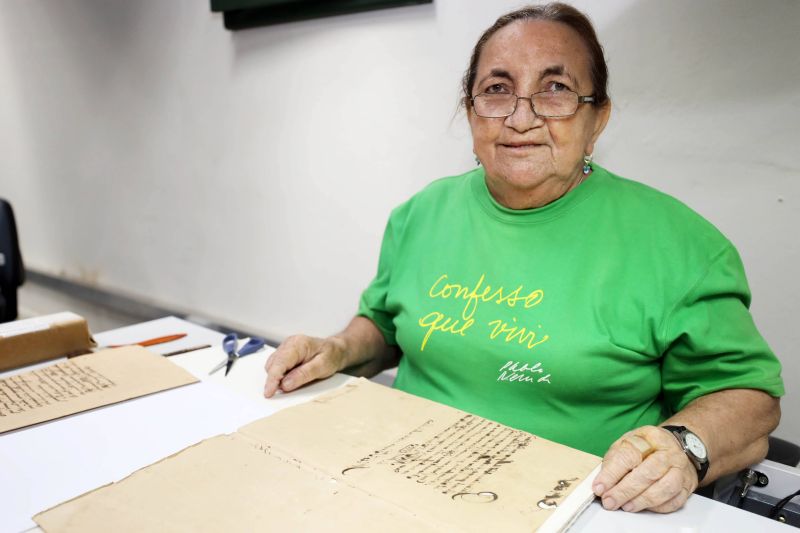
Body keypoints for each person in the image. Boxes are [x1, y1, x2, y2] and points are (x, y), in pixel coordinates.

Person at [263, 3, 784, 515]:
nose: (520, 117)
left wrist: (683, 450)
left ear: (597, 117)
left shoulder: (682, 245)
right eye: (497, 89)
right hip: (395, 482)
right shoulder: (420, 214)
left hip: (575, 508)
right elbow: (383, 326)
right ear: (470, 111)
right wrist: (337, 349)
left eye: (555, 89)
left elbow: (748, 397)